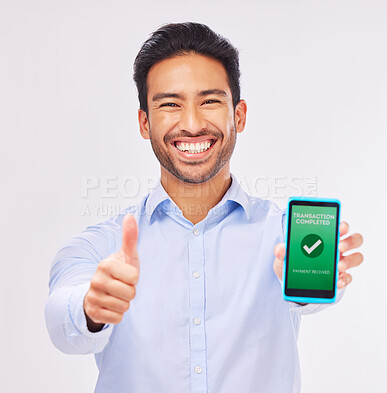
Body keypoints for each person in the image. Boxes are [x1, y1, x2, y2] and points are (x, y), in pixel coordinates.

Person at [45, 22, 364, 393]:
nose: (193, 124)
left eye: (210, 101)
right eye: (170, 104)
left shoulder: (284, 234)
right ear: (144, 122)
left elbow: (310, 295)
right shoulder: (100, 246)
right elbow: (61, 321)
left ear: (239, 116)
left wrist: (310, 281)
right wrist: (90, 309)